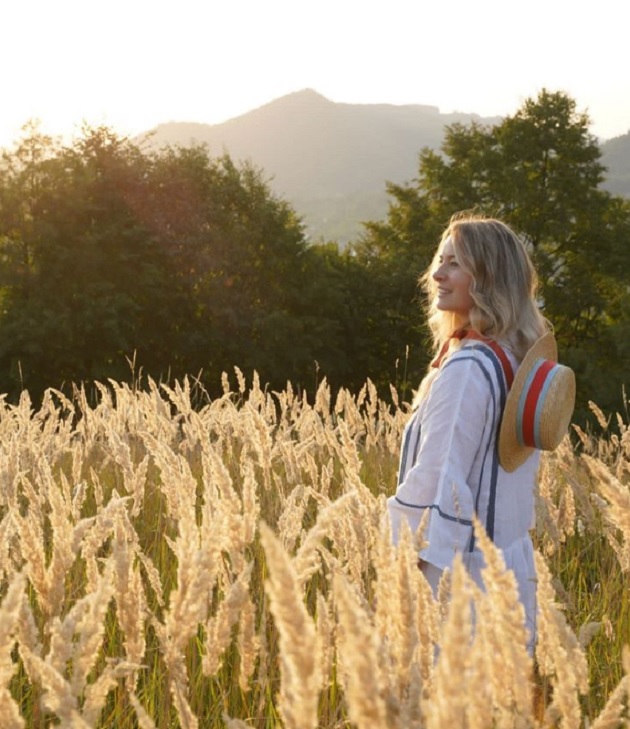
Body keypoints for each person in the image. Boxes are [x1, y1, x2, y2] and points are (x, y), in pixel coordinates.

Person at [387, 213, 575, 652]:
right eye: (441, 260)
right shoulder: (514, 361)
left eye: (454, 263)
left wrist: (385, 554)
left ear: (488, 278)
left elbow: (439, 481)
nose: (437, 273)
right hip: (507, 568)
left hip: (461, 582)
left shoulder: (469, 368)